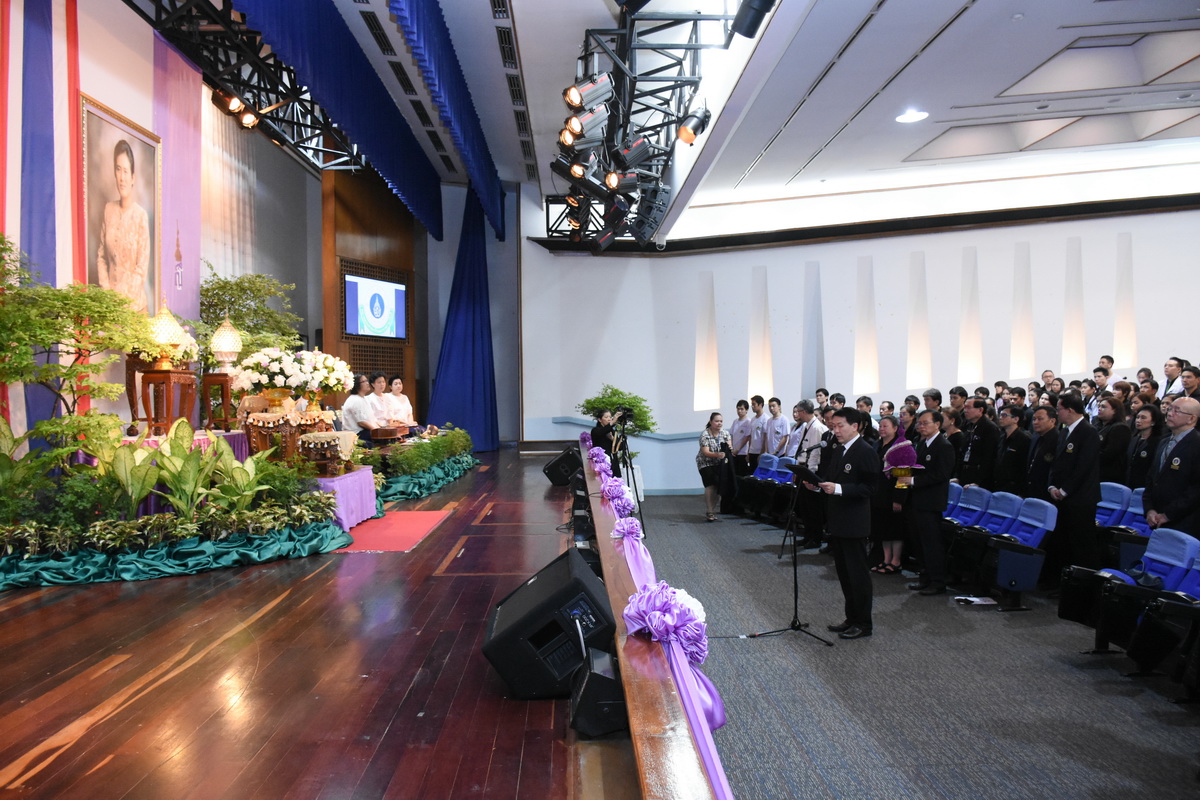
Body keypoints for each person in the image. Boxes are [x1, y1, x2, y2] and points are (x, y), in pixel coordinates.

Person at [805, 409, 879, 640]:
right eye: (833, 426)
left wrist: (838, 489)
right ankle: (851, 618)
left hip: (854, 522)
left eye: (840, 426)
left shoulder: (865, 451)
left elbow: (870, 488)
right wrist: (818, 485)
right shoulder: (839, 450)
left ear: (855, 426)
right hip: (838, 519)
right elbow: (831, 477)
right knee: (845, 575)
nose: (835, 430)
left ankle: (864, 623)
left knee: (858, 575)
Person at [901, 409, 956, 595]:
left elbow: (941, 474)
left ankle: (937, 581)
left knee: (932, 543)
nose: (921, 426)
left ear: (937, 424)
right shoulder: (920, 443)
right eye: (919, 423)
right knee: (918, 542)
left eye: (925, 423)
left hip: (931, 502)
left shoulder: (944, 445)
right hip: (916, 500)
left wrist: (914, 481)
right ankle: (924, 576)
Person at [1048, 394, 1102, 573]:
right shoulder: (1065, 431)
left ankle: (1084, 582)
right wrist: (1052, 486)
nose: (1057, 413)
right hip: (1062, 496)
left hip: (1080, 497)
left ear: (1070, 410)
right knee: (1063, 540)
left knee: (1081, 543)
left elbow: (1084, 466)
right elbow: (1058, 463)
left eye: (1059, 410)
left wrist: (1065, 490)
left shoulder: (1088, 431)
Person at [97, 139, 151, 314]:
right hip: (109, 306)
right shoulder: (108, 210)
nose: (122, 177)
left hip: (135, 309)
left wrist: (122, 302)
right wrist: (107, 294)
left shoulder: (140, 216)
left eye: (126, 171)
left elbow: (141, 268)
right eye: (118, 169)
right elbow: (101, 257)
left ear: (133, 177)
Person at [1143, 397, 1200, 536]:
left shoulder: (1196, 444)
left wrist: (1168, 515)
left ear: (1191, 419)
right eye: (1169, 409)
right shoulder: (1163, 442)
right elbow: (1151, 478)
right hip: (1156, 518)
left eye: (1177, 411)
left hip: (1184, 521)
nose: (1169, 413)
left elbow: (1196, 489)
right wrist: (1149, 509)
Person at [870, 415, 907, 574]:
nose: (882, 429)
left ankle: (896, 561)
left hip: (892, 493)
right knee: (882, 529)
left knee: (894, 529)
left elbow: (903, 474)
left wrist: (898, 498)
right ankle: (885, 560)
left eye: (886, 426)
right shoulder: (877, 445)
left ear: (895, 428)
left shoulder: (900, 447)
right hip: (878, 493)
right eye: (880, 426)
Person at [697, 412, 733, 522]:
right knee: (710, 485)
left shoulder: (725, 433)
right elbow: (705, 452)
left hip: (719, 463)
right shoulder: (705, 435)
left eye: (721, 421)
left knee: (719, 486)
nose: (719, 423)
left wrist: (729, 450)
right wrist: (718, 454)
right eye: (717, 421)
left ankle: (712, 510)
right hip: (705, 462)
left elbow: (729, 446)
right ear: (711, 422)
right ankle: (709, 510)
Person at [957, 398, 1000, 489]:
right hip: (965, 472)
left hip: (979, 476)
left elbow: (989, 457)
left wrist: (979, 481)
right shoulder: (967, 425)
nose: (965, 410)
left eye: (968, 408)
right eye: (964, 407)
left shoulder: (990, 428)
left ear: (980, 410)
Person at [994, 406, 1032, 495]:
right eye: (1000, 415)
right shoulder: (1001, 436)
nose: (1000, 418)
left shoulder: (1024, 439)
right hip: (999, 483)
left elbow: (1024, 466)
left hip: (1014, 487)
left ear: (1015, 419)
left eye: (1004, 415)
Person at [1025, 405, 1059, 501]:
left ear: (1052, 421)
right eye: (1034, 419)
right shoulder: (1035, 436)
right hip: (1030, 487)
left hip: (1046, 491)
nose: (1035, 422)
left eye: (1040, 419)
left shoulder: (1058, 440)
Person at [1126, 405, 1163, 490]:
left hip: (1145, 485)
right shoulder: (1134, 439)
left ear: (1153, 422)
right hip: (1129, 482)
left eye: (1143, 418)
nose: (1138, 420)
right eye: (1137, 417)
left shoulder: (1158, 442)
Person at [1095, 397, 1131, 484]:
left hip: (1109, 475)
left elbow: (1110, 453)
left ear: (1115, 410)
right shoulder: (1099, 426)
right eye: (1099, 406)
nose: (1099, 408)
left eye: (1103, 407)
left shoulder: (1120, 428)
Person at [341, 373, 382, 443]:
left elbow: (371, 419)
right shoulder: (354, 399)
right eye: (364, 381)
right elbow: (362, 422)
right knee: (384, 439)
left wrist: (382, 429)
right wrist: (379, 432)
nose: (367, 383)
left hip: (365, 431)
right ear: (357, 384)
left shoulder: (364, 398)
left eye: (367, 380)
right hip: (356, 434)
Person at [591, 410, 622, 478]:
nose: (609, 419)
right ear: (599, 419)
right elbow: (601, 432)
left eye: (610, 417)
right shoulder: (595, 430)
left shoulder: (611, 431)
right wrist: (612, 422)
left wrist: (612, 439)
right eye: (606, 417)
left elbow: (620, 447)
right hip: (602, 464)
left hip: (613, 463)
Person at [728, 399, 753, 477]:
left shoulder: (748, 421)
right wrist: (731, 448)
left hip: (743, 453)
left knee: (743, 475)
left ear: (746, 410)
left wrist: (738, 449)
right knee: (735, 475)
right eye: (738, 409)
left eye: (742, 409)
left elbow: (746, 437)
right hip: (734, 453)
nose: (739, 411)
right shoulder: (735, 421)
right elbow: (731, 435)